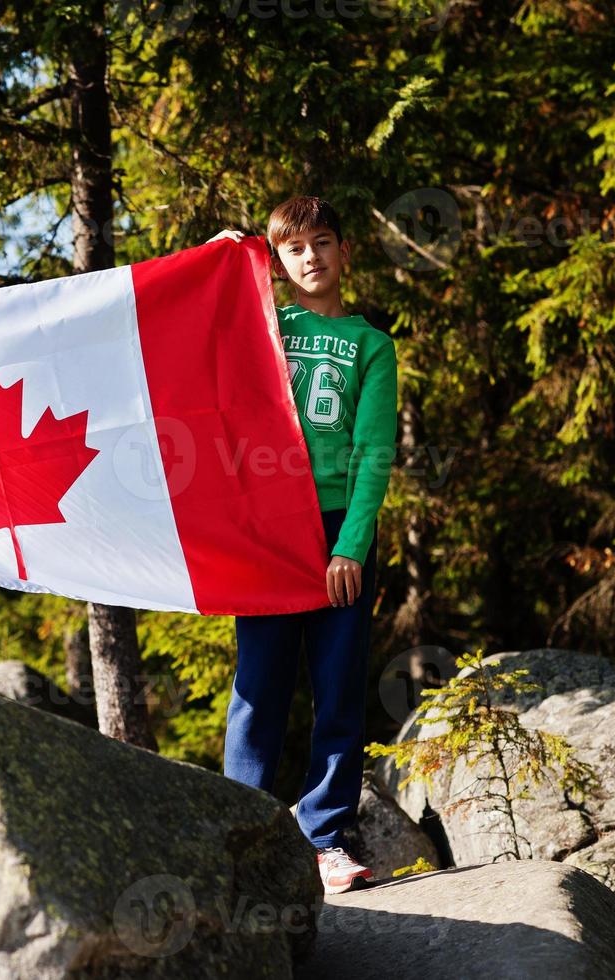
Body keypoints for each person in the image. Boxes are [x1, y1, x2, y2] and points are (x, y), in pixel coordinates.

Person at [211, 197, 398, 895]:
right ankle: (244, 834)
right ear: (277, 259)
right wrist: (224, 257)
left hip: (337, 531)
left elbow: (373, 451)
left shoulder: (371, 343)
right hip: (268, 527)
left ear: (343, 252)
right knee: (257, 689)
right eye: (293, 248)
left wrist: (350, 546)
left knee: (338, 688)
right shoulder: (265, 324)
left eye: (322, 243)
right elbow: (202, 331)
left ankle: (325, 837)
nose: (310, 257)